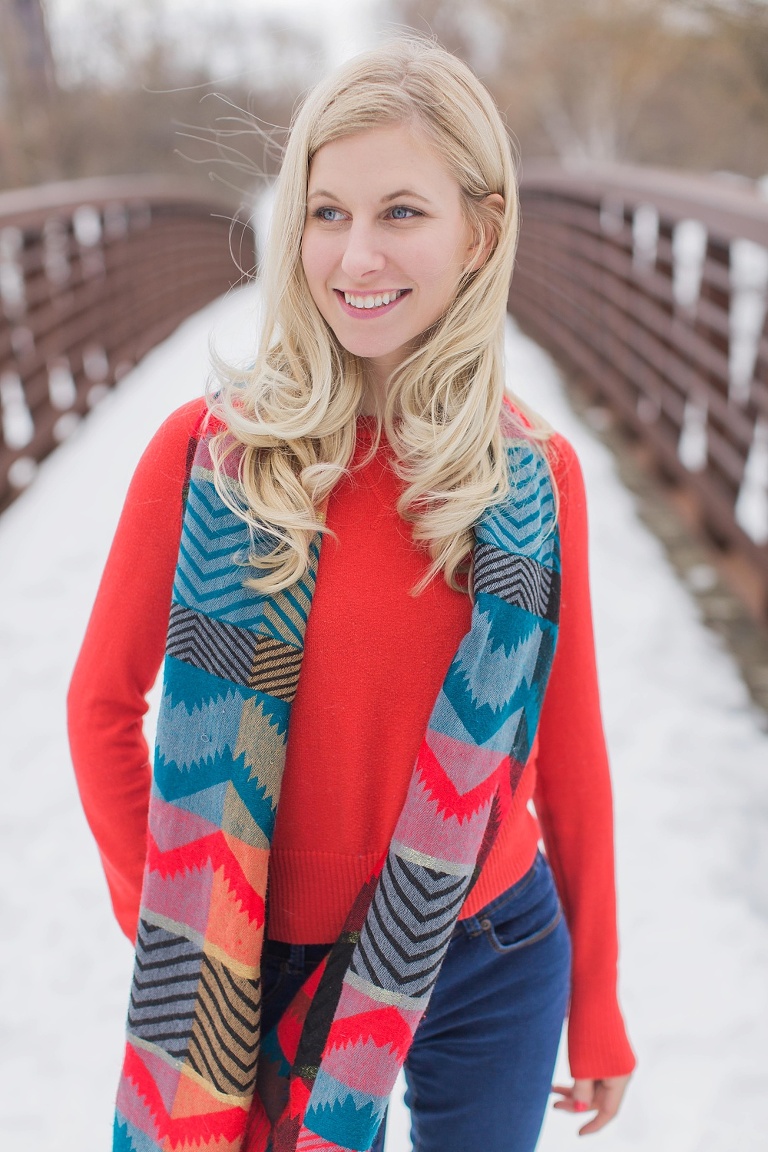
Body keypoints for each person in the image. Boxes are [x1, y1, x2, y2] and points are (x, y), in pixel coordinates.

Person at [68, 36, 635, 1152]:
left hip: (491, 955)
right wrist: (194, 945)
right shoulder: (209, 459)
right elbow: (100, 713)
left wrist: (599, 1008)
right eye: (327, 212)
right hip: (276, 973)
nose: (355, 254)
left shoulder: (530, 475)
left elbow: (565, 752)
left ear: (481, 231)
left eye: (402, 214)